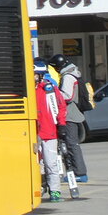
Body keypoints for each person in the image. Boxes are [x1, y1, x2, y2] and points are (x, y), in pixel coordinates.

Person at [49, 54, 88, 183]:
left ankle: (79, 173)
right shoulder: (73, 73)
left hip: (70, 115)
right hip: (73, 113)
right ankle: (78, 172)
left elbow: (67, 96)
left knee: (72, 144)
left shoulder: (68, 77)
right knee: (72, 144)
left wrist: (53, 92)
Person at [34, 60, 68, 202]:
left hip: (49, 132)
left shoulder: (49, 89)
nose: (33, 77)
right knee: (36, 164)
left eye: (35, 74)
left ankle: (55, 191)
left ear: (41, 75)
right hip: (32, 133)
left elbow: (61, 107)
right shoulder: (28, 91)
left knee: (51, 163)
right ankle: (39, 187)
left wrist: (62, 124)